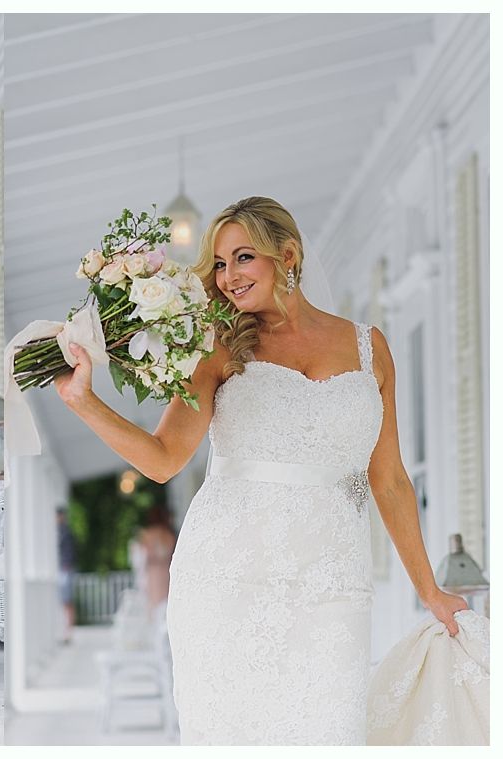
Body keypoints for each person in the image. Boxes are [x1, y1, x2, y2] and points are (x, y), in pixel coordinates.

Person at [53, 196, 468, 744]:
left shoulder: (370, 349)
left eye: (243, 258)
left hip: (333, 582)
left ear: (288, 255)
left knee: (331, 732)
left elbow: (388, 480)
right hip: (227, 578)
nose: (227, 277)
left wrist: (429, 590)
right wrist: (84, 402)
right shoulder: (220, 347)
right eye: (220, 264)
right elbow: (163, 458)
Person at [130, 505, 176, 619]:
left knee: (153, 602)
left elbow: (143, 555)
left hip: (153, 572)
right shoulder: (169, 534)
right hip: (167, 570)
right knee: (166, 600)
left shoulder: (147, 534)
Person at [56, 507, 77, 643]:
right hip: (63, 570)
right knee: (65, 602)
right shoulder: (61, 531)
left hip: (65, 570)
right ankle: (66, 631)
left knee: (67, 601)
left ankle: (68, 632)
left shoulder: (65, 532)